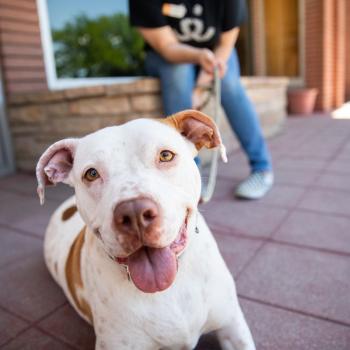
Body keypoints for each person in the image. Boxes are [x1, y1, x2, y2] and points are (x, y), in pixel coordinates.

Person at [129, 0, 273, 199]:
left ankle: (262, 168)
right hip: (169, 55)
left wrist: (199, 89)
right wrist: (198, 56)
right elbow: (167, 46)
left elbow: (225, 45)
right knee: (178, 75)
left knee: (230, 85)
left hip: (216, 51)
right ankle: (190, 172)